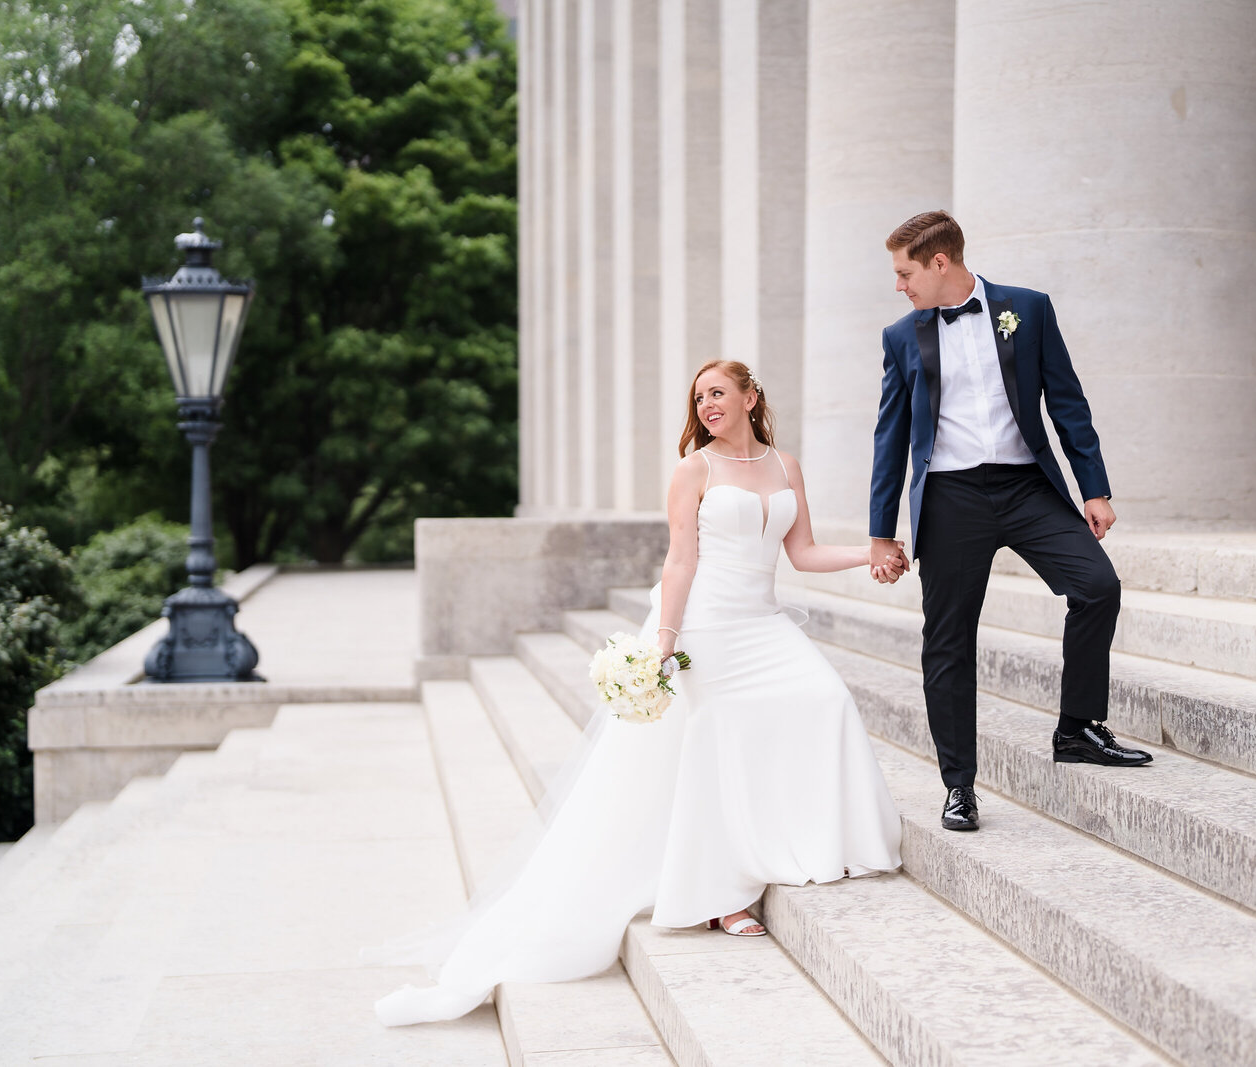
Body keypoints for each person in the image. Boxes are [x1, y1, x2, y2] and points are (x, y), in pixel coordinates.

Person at [373, 360, 902, 1026]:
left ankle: (814, 836)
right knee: (715, 733)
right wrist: (666, 643)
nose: (708, 404)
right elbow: (680, 559)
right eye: (699, 396)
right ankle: (719, 894)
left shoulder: (786, 465)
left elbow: (803, 551)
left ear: (750, 396)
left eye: (718, 392)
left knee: (827, 697)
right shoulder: (695, 470)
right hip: (703, 624)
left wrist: (873, 553)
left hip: (763, 625)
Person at [867, 210, 1152, 835]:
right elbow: (891, 437)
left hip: (1027, 487)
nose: (899, 286)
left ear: (940, 263)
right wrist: (881, 530)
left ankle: (1078, 728)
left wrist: (1094, 488)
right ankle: (958, 786)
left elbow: (1067, 401)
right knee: (948, 639)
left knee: (1097, 586)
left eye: (905, 272)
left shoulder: (1027, 309)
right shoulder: (900, 336)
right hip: (948, 498)